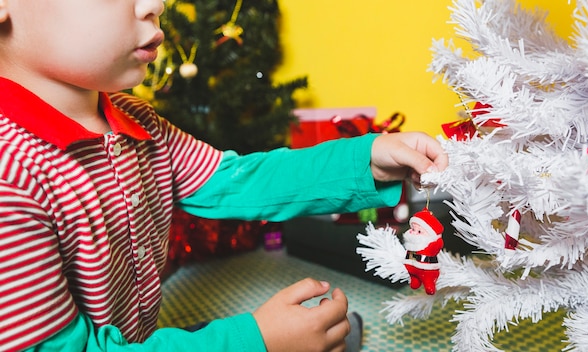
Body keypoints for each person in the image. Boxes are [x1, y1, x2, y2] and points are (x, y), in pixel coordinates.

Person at [0, 0, 448, 351]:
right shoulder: (11, 173)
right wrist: (254, 342)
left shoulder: (139, 121)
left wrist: (364, 158)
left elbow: (234, 180)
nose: (153, 5)